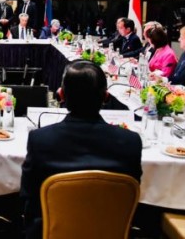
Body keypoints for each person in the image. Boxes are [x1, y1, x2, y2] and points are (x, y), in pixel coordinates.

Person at [20, 60, 142, 239]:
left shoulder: (40, 140)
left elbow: (27, 197)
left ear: (61, 95)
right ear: (106, 97)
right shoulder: (131, 142)